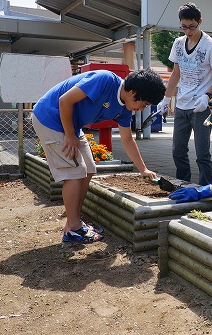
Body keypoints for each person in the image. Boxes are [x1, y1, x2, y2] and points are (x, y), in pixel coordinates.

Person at [32, 68, 165, 243]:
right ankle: (73, 229)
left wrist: (143, 169)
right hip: (50, 117)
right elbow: (64, 101)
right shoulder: (104, 80)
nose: (142, 109)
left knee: (88, 169)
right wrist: (70, 135)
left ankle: (74, 222)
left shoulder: (125, 109)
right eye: (144, 104)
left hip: (71, 124)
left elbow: (127, 140)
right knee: (74, 172)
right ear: (133, 93)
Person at [156, 3, 212, 186]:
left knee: (202, 154)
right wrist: (166, 98)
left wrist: (207, 96)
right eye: (184, 27)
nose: (188, 31)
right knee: (178, 151)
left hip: (201, 107)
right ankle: (183, 184)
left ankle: (205, 190)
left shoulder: (211, 46)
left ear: (199, 22)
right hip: (181, 106)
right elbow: (176, 73)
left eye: (192, 27)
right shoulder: (178, 44)